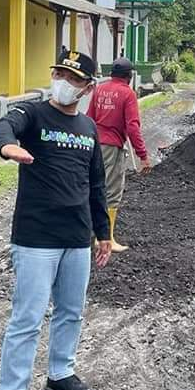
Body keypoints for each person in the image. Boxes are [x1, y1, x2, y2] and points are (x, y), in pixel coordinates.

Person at [0, 50, 112, 390]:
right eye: (59, 72)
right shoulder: (34, 114)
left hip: (76, 237)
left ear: (87, 87)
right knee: (27, 318)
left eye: (72, 77)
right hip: (36, 236)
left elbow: (96, 184)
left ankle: (60, 374)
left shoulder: (89, 128)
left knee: (71, 312)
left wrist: (103, 233)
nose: (63, 80)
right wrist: (7, 147)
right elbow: (2, 126)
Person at [87, 57, 151, 253]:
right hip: (111, 147)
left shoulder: (100, 89)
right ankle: (106, 238)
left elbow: (89, 117)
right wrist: (143, 155)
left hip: (93, 143)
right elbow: (132, 126)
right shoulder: (127, 94)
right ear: (129, 76)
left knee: (91, 185)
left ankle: (89, 234)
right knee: (112, 191)